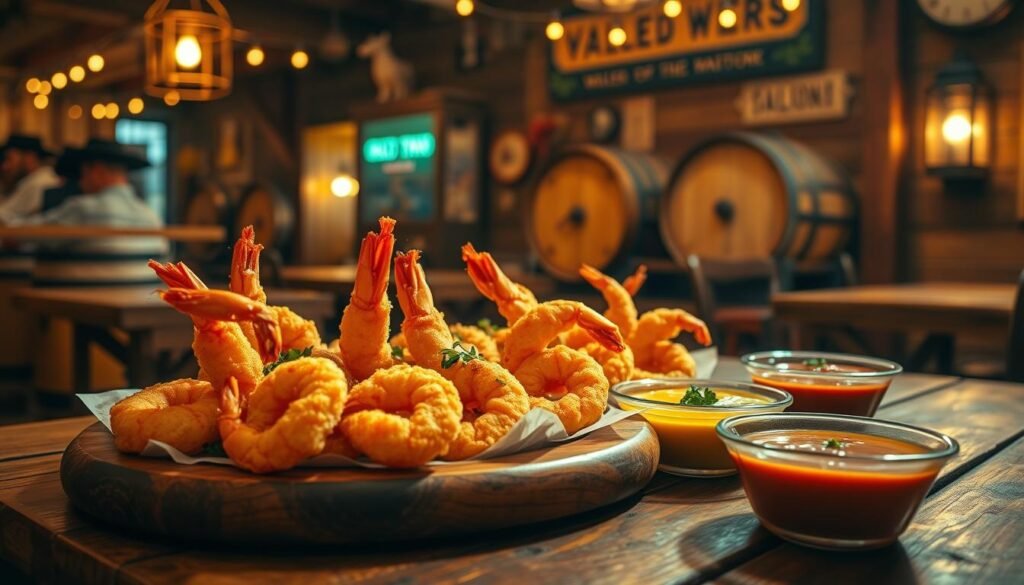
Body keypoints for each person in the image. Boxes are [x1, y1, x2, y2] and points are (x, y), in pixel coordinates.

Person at [18, 138, 168, 259]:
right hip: (143, 296)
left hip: (80, 295)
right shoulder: (152, 216)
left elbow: (19, 234)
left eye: (82, 174)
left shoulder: (83, 209)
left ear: (96, 170)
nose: (81, 181)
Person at [0, 134, 60, 224]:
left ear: (29, 157)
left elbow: (6, 218)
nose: (5, 166)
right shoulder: (31, 180)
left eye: (10, 159)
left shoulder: (40, 183)